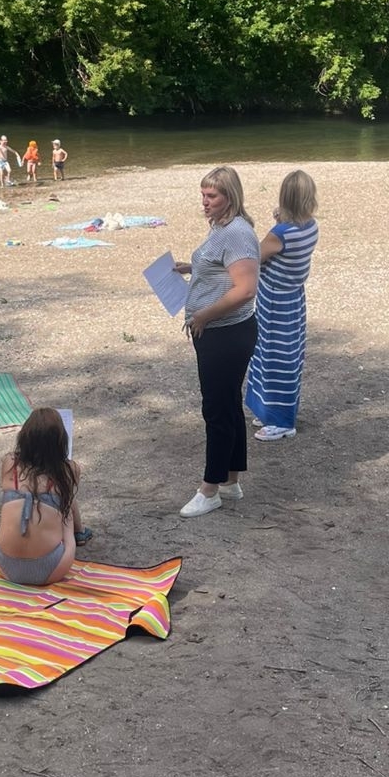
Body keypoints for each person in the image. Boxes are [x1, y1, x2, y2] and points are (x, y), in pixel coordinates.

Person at [174, 166, 260, 518]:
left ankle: (209, 489)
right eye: (203, 195)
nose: (205, 202)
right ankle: (232, 480)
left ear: (230, 197)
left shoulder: (238, 233)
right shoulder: (221, 228)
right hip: (216, 331)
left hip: (225, 333)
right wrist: (190, 268)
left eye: (212, 196)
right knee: (227, 405)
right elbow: (221, 270)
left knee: (216, 409)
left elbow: (246, 287)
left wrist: (205, 315)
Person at [245, 170, 320, 441]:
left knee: (276, 356)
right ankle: (270, 410)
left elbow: (253, 258)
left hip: (275, 302)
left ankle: (282, 421)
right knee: (281, 352)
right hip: (294, 299)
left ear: (284, 198)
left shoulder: (279, 234)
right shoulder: (311, 226)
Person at [0, 408, 89, 586]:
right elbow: (66, 499)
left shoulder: (9, 464)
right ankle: (78, 533)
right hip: (52, 568)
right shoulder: (69, 470)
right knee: (65, 506)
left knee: (15, 505)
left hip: (3, 564)